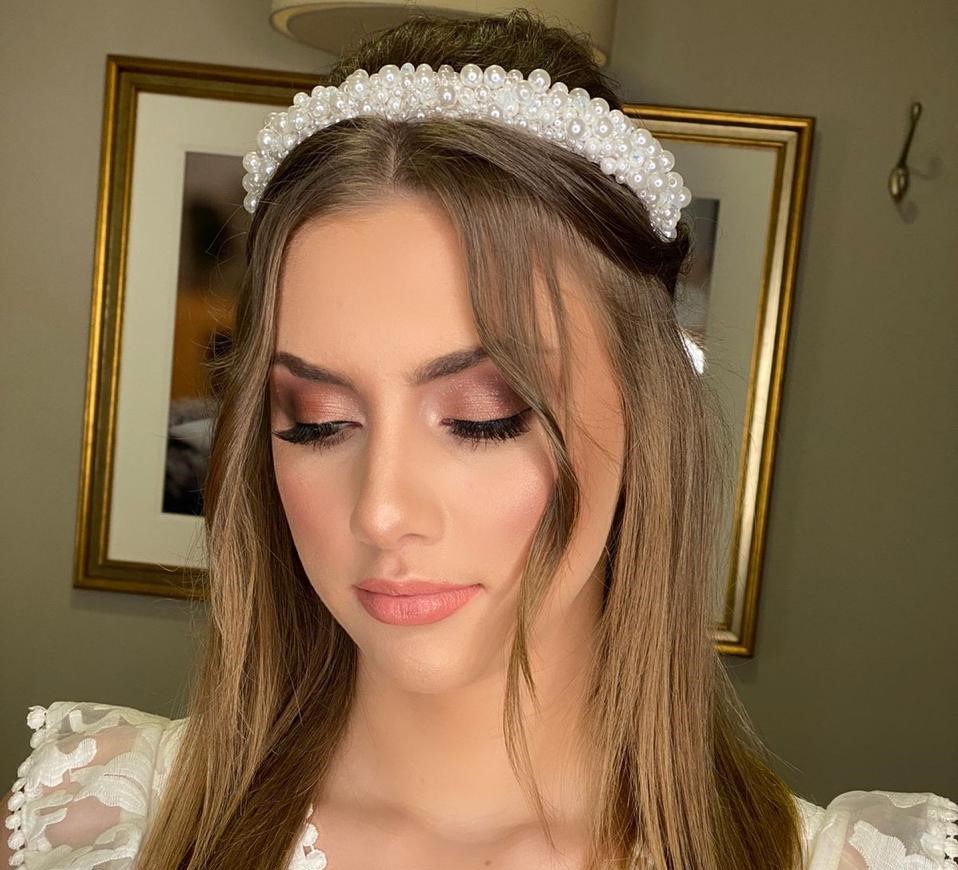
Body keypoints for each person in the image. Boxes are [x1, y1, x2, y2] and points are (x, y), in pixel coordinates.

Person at [4, 10, 955, 870]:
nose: (382, 510)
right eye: (318, 422)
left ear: (646, 415)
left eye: (483, 417)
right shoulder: (99, 822)